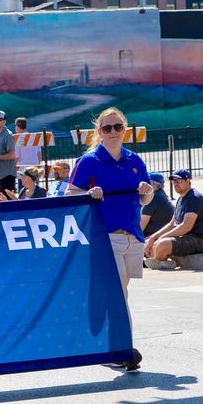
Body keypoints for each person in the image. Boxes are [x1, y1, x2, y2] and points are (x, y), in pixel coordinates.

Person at [67, 107, 152, 370]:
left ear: (124, 129)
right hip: (104, 236)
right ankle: (120, 347)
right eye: (107, 128)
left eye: (117, 127)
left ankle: (107, 344)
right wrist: (88, 194)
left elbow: (145, 198)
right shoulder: (89, 161)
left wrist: (147, 192)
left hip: (133, 236)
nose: (113, 132)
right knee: (118, 291)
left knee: (121, 290)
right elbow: (70, 194)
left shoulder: (135, 160)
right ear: (99, 132)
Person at [144, 170, 203, 270]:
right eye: (173, 182)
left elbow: (186, 226)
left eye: (178, 181)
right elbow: (172, 224)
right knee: (149, 242)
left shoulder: (194, 198)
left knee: (162, 244)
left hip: (201, 241)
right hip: (187, 237)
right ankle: (160, 260)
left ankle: (160, 261)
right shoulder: (181, 199)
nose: (175, 184)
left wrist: (161, 238)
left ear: (188, 181)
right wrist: (153, 237)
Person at [0, 110, 17, 197]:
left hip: (7, 175)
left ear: (4, 121)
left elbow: (12, 155)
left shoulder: (8, 135)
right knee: (2, 202)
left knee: (9, 203)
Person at [140, 173, 175, 238]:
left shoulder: (153, 197)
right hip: (163, 233)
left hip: (156, 235)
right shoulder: (160, 194)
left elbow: (142, 225)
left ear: (152, 184)